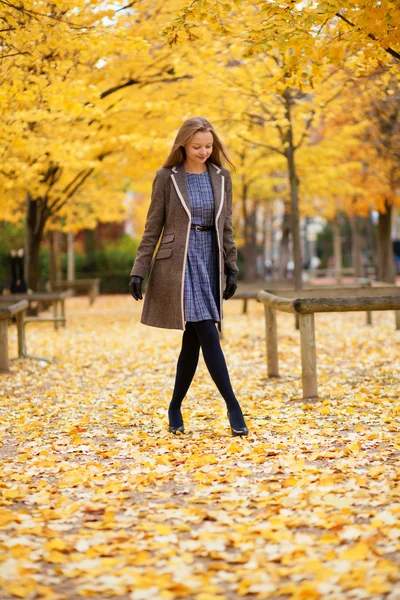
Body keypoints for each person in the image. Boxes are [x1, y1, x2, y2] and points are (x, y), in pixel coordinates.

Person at [129, 116, 248, 437]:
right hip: (179, 264)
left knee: (193, 340)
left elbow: (226, 226)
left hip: (209, 257)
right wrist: (139, 270)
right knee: (208, 330)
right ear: (183, 144)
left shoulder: (222, 178)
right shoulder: (166, 178)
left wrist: (231, 267)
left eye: (209, 146)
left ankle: (174, 406)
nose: (204, 151)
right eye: (197, 146)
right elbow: (153, 226)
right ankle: (233, 406)